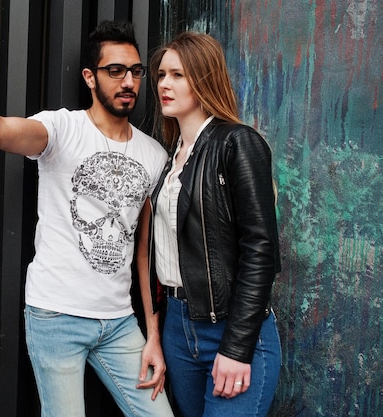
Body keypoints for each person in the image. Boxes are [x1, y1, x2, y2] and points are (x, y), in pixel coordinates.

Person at [0, 12, 175, 417]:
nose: (129, 82)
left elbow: (145, 254)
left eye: (135, 71)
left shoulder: (154, 156)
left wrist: (152, 334)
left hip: (119, 322)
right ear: (89, 76)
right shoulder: (61, 129)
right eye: (115, 71)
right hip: (56, 315)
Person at [136, 32, 282, 417]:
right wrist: (155, 335)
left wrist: (236, 348)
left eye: (178, 75)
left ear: (204, 79)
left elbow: (261, 250)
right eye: (162, 74)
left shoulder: (237, 142)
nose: (164, 84)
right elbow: (159, 255)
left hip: (232, 328)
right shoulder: (171, 160)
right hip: (178, 332)